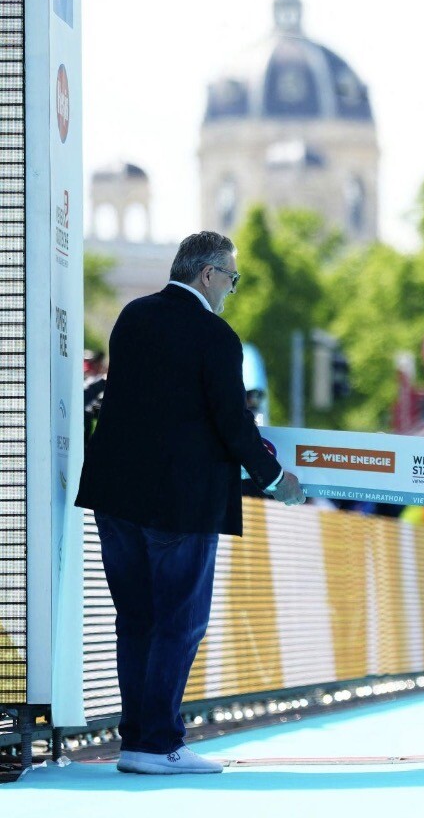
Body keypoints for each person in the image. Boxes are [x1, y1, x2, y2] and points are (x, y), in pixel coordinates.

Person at [75, 231, 305, 775]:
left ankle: (137, 741)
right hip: (180, 504)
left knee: (135, 621)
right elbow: (232, 423)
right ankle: (159, 744)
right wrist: (276, 479)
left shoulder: (132, 317)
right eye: (231, 278)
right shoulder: (216, 335)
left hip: (116, 497)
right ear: (207, 274)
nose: (231, 289)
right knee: (179, 622)